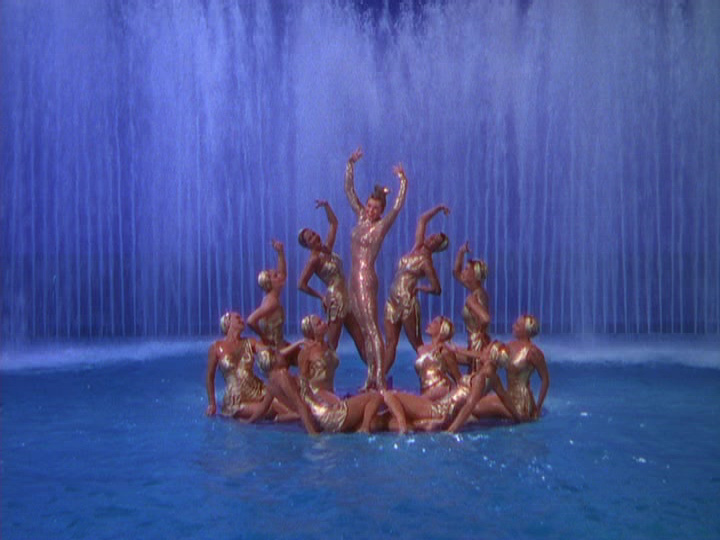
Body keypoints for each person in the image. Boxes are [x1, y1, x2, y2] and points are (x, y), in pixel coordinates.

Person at [344, 147, 408, 390]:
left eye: (375, 208)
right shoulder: (361, 218)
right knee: (364, 328)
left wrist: (403, 181)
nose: (370, 210)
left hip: (366, 278)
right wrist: (350, 164)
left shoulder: (380, 226)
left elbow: (397, 207)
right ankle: (371, 375)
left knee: (372, 328)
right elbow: (349, 192)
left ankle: (379, 378)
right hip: (353, 278)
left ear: (381, 211)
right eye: (369, 206)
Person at [246, 240, 318, 433]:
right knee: (301, 365)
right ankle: (306, 414)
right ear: (270, 283)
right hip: (275, 351)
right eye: (275, 276)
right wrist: (264, 337)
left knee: (305, 360)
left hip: (280, 344)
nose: (281, 276)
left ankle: (306, 397)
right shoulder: (270, 302)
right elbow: (251, 320)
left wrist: (280, 253)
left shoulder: (274, 296)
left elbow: (283, 274)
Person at [383, 204, 450, 379]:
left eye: (435, 242)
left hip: (407, 303)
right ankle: (378, 378)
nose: (431, 239)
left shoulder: (426, 262)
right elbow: (422, 220)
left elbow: (437, 289)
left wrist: (420, 288)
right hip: (392, 300)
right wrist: (438, 209)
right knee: (390, 343)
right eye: (433, 236)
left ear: (436, 248)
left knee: (417, 345)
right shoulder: (417, 246)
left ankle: (435, 374)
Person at [295, 314, 384, 434]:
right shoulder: (306, 352)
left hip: (332, 397)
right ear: (311, 332)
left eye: (321, 321)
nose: (323, 323)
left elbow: (336, 324)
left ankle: (363, 427)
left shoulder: (328, 345)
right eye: (318, 324)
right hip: (321, 403)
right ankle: (364, 429)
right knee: (375, 397)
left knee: (375, 418)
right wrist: (312, 410)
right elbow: (303, 385)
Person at [297, 200, 364, 354]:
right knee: (332, 343)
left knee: (360, 338)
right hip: (335, 300)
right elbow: (301, 284)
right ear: (307, 245)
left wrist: (327, 206)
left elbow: (334, 224)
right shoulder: (314, 260)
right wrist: (321, 296)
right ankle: (317, 366)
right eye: (310, 238)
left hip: (345, 298)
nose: (315, 237)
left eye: (314, 234)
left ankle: (375, 368)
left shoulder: (327, 249)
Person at [205, 311, 290, 420]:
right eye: (237, 318)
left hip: (258, 390)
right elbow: (210, 377)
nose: (242, 320)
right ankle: (294, 418)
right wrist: (212, 403)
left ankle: (297, 417)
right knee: (273, 408)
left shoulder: (250, 342)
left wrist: (293, 345)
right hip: (237, 398)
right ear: (227, 322)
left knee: (285, 403)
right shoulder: (216, 347)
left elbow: (271, 352)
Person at [453, 242, 491, 370]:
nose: (463, 272)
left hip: (477, 343)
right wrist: (461, 252)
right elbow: (456, 272)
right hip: (475, 341)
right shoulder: (478, 291)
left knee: (475, 376)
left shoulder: (473, 298)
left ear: (475, 275)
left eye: (466, 269)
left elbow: (485, 319)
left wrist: (479, 332)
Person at [504, 315, 550, 420]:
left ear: (526, 331)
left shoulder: (533, 352)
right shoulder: (509, 346)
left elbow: (545, 380)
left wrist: (538, 407)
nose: (513, 326)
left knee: (478, 407)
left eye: (517, 325)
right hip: (508, 396)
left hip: (522, 401)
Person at [413, 316, 464, 401]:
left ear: (442, 330)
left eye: (435, 322)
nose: (429, 324)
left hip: (441, 390)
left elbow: (458, 378)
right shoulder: (421, 349)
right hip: (425, 391)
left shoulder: (445, 351)